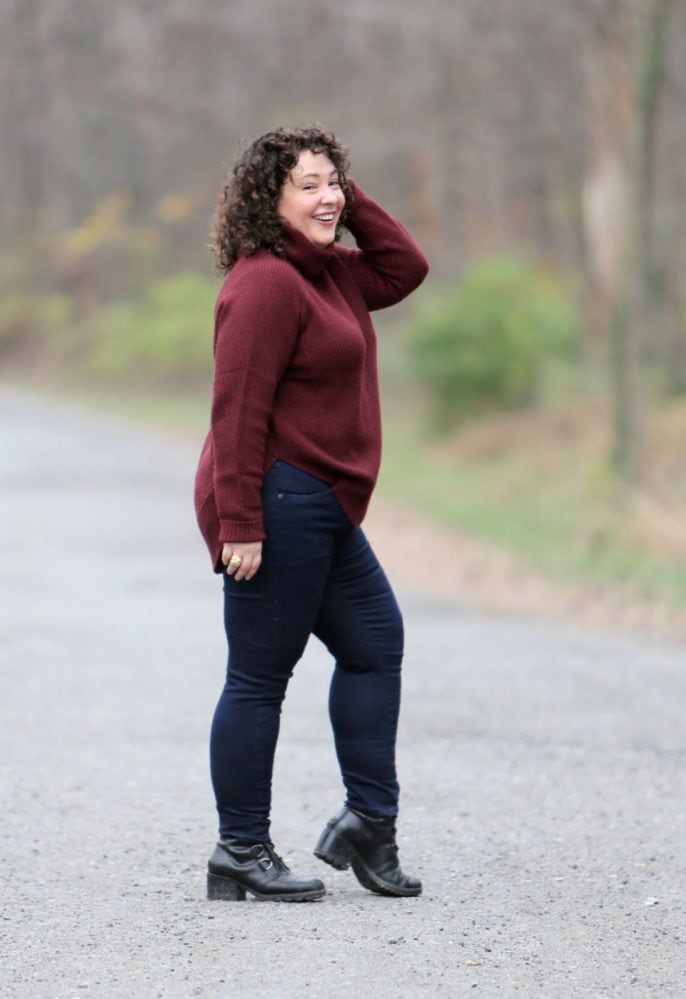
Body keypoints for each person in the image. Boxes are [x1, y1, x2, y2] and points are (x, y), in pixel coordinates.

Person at [194, 125, 429, 902]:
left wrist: (341, 202)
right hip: (279, 502)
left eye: (335, 181)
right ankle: (239, 849)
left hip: (325, 505)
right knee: (259, 679)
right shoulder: (265, 283)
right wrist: (240, 525)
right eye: (309, 185)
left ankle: (368, 823)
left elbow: (405, 266)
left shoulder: (331, 274)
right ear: (270, 199)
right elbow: (236, 413)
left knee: (374, 643)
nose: (329, 196)